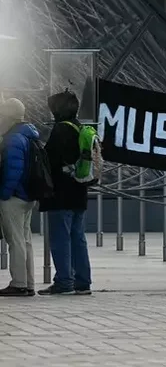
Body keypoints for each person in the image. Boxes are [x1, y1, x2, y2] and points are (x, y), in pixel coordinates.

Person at [37, 91, 92, 296]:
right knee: (78, 238)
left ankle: (63, 281)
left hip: (61, 194)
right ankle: (83, 281)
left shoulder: (60, 130)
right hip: (79, 191)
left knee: (60, 238)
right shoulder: (80, 127)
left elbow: (49, 161)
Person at [0, 99, 38, 297]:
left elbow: (13, 170)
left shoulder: (13, 138)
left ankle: (19, 283)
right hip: (28, 196)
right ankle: (29, 282)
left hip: (14, 196)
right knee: (25, 240)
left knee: (15, 241)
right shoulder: (28, 135)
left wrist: (4, 194)